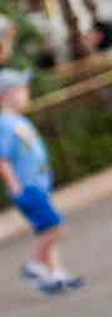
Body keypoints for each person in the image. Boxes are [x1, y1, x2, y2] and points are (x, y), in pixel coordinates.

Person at [4, 69, 82, 296]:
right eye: (22, 89)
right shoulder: (5, 124)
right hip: (28, 188)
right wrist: (14, 185)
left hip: (37, 186)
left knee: (47, 230)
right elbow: (3, 158)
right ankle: (36, 265)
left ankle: (55, 273)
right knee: (57, 228)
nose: (27, 93)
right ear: (7, 95)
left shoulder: (18, 121)